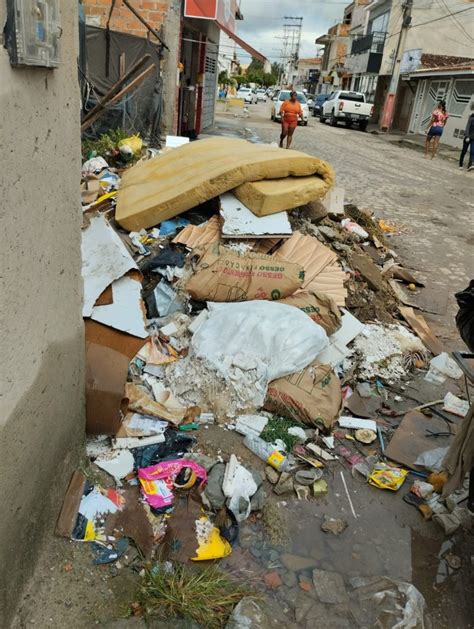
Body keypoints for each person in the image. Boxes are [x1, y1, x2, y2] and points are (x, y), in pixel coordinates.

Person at [459, 101, 474, 171]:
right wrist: (467, 136)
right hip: (468, 137)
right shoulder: (471, 117)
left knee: (472, 151)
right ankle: (460, 164)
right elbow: (467, 127)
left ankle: (470, 165)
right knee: (464, 151)